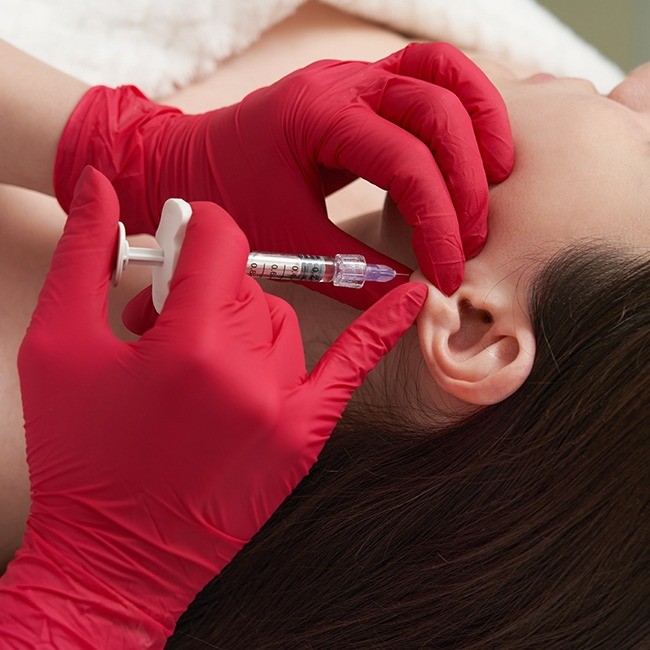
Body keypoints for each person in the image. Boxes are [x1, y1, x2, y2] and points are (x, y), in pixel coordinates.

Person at [0, 3, 647, 647]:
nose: (641, 78)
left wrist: (103, 583)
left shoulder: (42, 451)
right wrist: (123, 143)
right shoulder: (448, 102)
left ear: (472, 330)